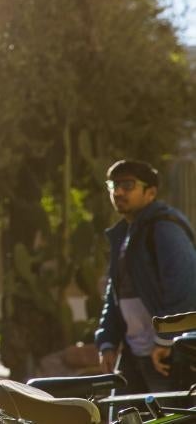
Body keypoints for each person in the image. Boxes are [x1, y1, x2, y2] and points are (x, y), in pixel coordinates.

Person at [95, 159, 196, 393]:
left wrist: (166, 340)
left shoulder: (165, 228)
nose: (118, 191)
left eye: (128, 185)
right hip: (133, 353)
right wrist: (107, 342)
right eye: (114, 185)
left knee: (169, 418)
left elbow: (185, 287)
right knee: (122, 416)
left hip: (166, 356)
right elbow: (116, 294)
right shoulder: (124, 234)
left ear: (150, 193)